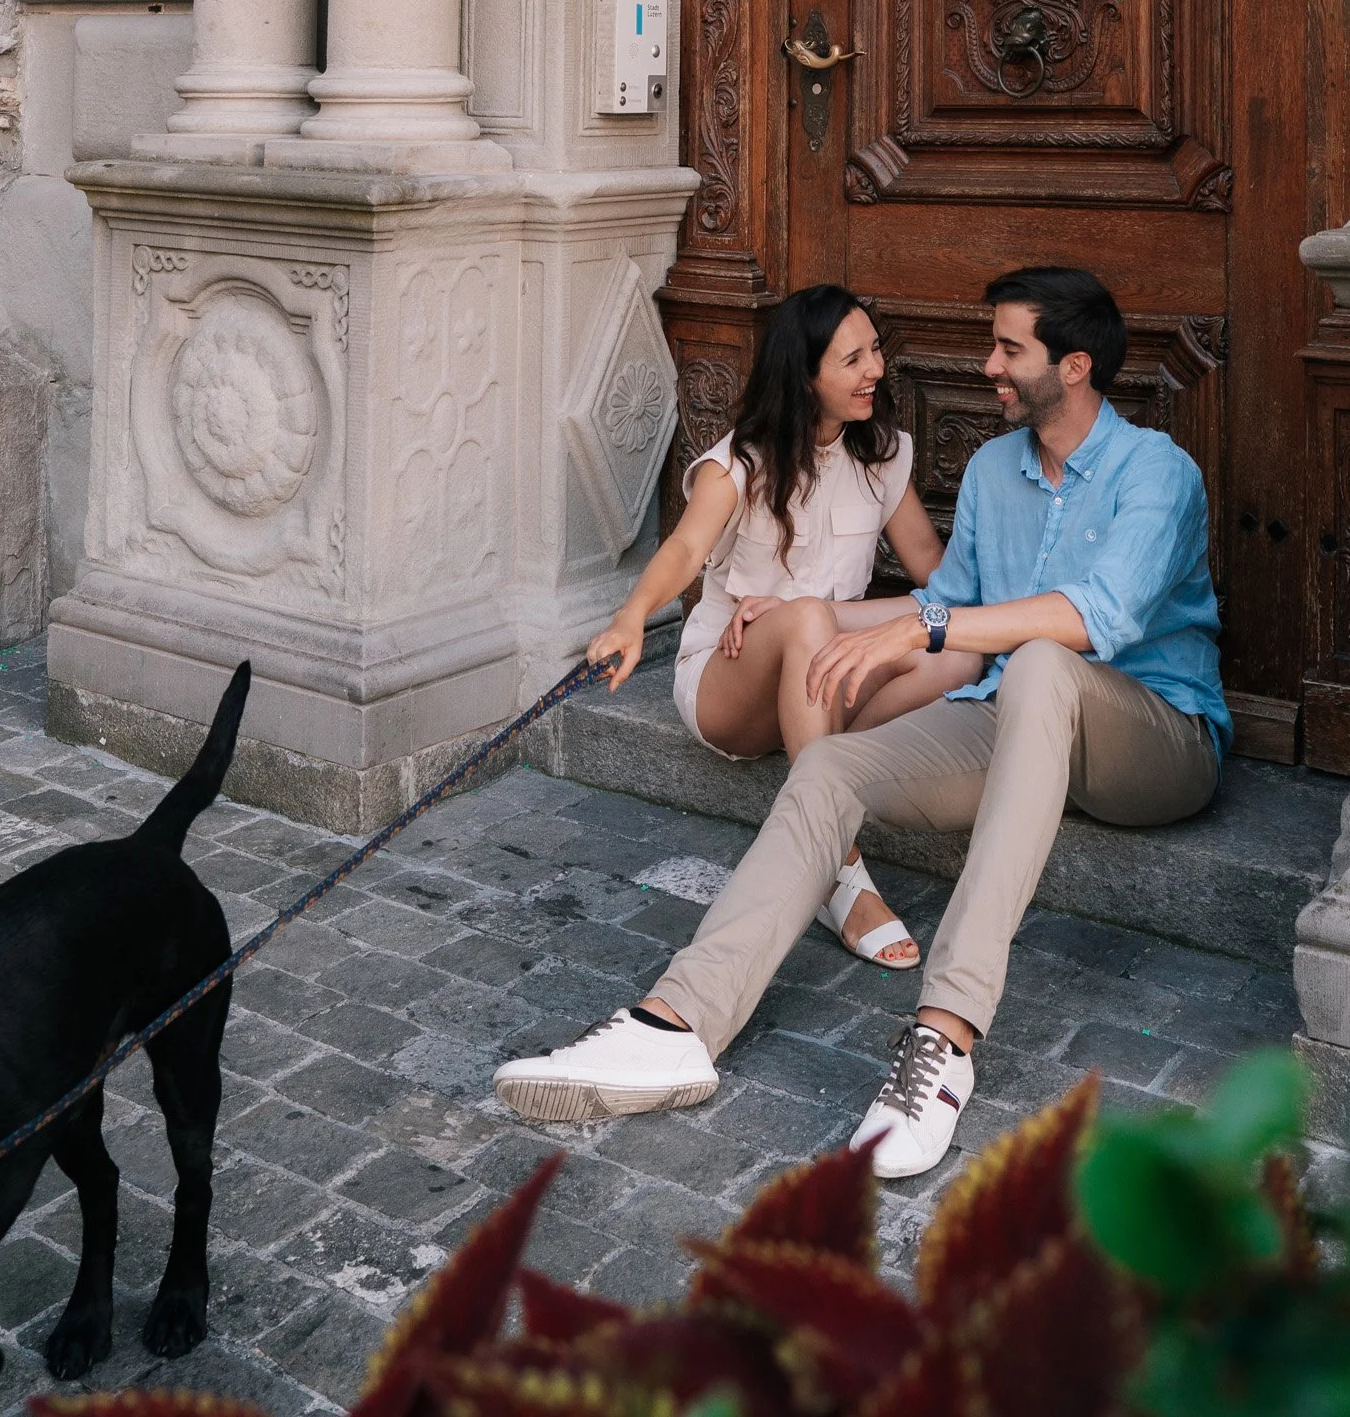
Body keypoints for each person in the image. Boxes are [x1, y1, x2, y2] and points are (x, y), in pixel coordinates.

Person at [495, 267, 1229, 1171]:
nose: (988, 364)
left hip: (1155, 738)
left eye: (1009, 350)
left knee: (1043, 659)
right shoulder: (998, 471)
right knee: (832, 768)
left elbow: (1093, 620)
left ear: (1073, 366)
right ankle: (675, 1022)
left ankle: (945, 1038)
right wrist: (802, 615)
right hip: (1017, 721)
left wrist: (924, 625)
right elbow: (949, 597)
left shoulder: (1157, 469)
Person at [587, 284, 959, 970]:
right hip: (730, 685)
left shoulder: (882, 456)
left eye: (874, 350)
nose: (874, 369)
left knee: (954, 651)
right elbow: (682, 551)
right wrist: (631, 618)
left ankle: (816, 749)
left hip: (825, 667)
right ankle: (836, 868)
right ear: (805, 373)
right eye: (851, 359)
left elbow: (938, 577)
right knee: (811, 621)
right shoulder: (740, 463)